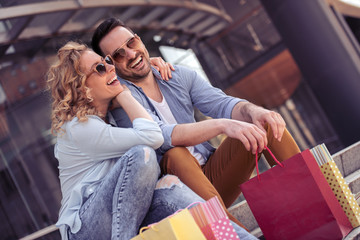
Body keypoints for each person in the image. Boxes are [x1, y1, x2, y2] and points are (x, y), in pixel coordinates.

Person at [91, 18, 301, 230]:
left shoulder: (177, 75)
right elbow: (161, 137)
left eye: (132, 43)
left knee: (264, 122)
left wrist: (254, 110)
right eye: (118, 54)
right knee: (175, 154)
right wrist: (222, 126)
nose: (130, 54)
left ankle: (317, 204)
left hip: (212, 177)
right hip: (176, 200)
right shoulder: (121, 101)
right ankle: (236, 236)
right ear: (110, 64)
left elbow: (222, 103)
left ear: (140, 41)